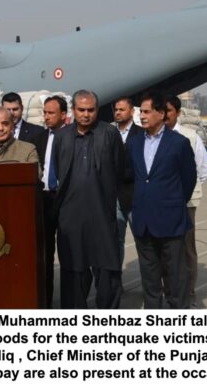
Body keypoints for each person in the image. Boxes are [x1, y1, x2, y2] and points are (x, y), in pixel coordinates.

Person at [53, 90, 124, 309]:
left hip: (102, 214)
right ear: (73, 110)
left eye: (90, 110)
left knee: (107, 269)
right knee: (74, 270)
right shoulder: (62, 136)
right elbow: (58, 169)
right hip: (71, 216)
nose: (86, 114)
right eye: (81, 110)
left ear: (97, 110)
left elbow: (119, 169)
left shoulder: (109, 134)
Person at [126, 92, 197, 309]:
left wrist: (171, 203)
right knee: (149, 278)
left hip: (171, 221)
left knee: (175, 277)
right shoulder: (134, 143)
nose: (142, 116)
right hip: (143, 222)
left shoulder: (179, 143)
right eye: (141, 112)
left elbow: (188, 179)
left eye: (147, 112)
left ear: (161, 113)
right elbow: (130, 178)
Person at [165, 95, 207, 307]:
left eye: (169, 111)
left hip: (186, 203)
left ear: (178, 113)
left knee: (186, 248)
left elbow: (203, 170)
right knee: (164, 249)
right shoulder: (152, 137)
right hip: (162, 203)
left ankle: (189, 294)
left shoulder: (190, 137)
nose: (165, 115)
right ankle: (169, 292)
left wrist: (184, 191)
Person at [39, 95, 67, 307]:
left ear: (64, 115)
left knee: (68, 252)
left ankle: (70, 302)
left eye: (51, 113)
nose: (46, 117)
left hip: (66, 199)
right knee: (45, 254)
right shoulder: (39, 137)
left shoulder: (72, 137)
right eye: (45, 113)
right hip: (44, 199)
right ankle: (46, 302)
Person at [112, 96, 143, 268]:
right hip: (113, 197)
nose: (118, 113)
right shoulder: (109, 133)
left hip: (135, 197)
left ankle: (150, 281)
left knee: (143, 241)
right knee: (115, 242)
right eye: (116, 110)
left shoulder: (142, 134)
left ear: (131, 111)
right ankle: (115, 279)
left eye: (122, 109)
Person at [1, 92, 46, 158]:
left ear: (22, 108)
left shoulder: (37, 132)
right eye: (8, 110)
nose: (11, 113)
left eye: (15, 109)